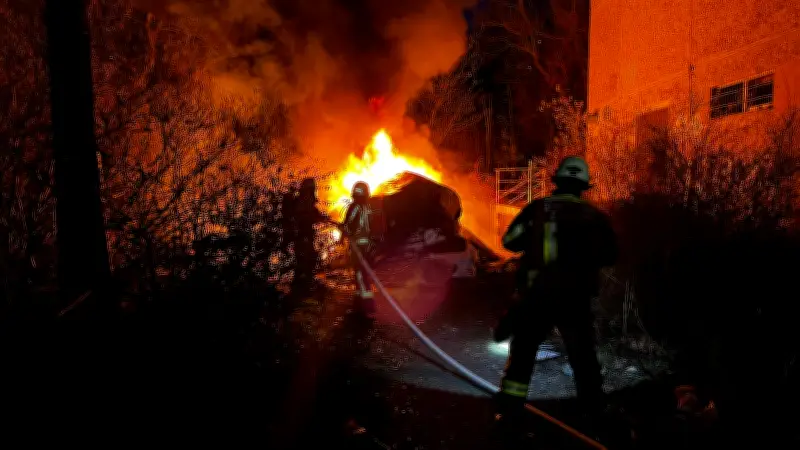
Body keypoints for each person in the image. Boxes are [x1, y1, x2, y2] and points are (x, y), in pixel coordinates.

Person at [493, 156, 618, 433]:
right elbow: (611, 255)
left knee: (523, 354)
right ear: (583, 186)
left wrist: (536, 241)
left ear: (556, 182)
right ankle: (593, 414)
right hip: (575, 298)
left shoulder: (538, 209)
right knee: (583, 356)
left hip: (536, 295)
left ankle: (510, 413)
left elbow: (509, 242)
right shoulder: (595, 216)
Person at [341, 181, 378, 319]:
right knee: (360, 275)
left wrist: (343, 230)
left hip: (358, 247)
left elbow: (349, 226)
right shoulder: (368, 207)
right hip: (367, 246)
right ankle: (358, 305)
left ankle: (367, 308)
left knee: (361, 276)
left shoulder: (355, 207)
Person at [286, 178, 327, 294]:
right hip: (302, 235)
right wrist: (315, 218)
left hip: (304, 235)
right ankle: (303, 285)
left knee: (305, 258)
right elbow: (304, 216)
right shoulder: (303, 200)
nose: (314, 190)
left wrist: (322, 217)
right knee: (307, 258)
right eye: (313, 188)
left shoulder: (305, 199)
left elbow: (313, 212)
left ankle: (301, 283)